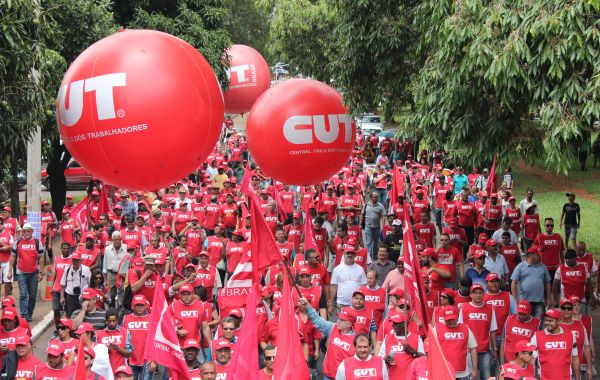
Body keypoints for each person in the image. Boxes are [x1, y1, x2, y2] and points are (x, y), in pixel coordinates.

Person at [302, 303, 356, 380]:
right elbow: (318, 320)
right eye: (338, 318)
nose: (338, 321)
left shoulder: (356, 340)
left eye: (341, 320)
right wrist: (307, 306)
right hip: (328, 375)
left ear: (349, 324)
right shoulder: (333, 328)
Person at [458, 283, 498, 380]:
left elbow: (492, 330)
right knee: (472, 377)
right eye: (475, 293)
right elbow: (460, 329)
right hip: (468, 351)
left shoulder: (490, 308)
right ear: (471, 295)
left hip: (485, 350)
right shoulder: (464, 308)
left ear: (484, 294)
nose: (478, 295)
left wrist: (495, 349)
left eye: (480, 293)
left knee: (486, 377)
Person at [8, 223, 44, 322]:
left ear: (32, 231)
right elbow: (13, 256)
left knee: (32, 295)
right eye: (24, 231)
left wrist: (41, 272)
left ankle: (29, 313)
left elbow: (41, 257)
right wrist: (10, 270)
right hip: (21, 272)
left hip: (34, 273)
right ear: (22, 232)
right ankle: (24, 315)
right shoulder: (18, 242)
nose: (26, 233)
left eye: (28, 231)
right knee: (23, 294)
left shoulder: (37, 242)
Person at [530, 308, 580, 380]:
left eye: (550, 321)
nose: (547, 323)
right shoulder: (536, 336)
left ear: (559, 321)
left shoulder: (571, 335)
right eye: (546, 320)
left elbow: (575, 359)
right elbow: (531, 361)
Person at [433, 305, 478, 380]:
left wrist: (474, 370)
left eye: (453, 319)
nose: (451, 321)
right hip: (444, 372)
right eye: (448, 319)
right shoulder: (436, 330)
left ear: (457, 317)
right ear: (443, 319)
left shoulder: (465, 329)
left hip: (463, 374)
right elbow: (430, 350)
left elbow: (473, 348)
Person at [378, 311, 423, 379]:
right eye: (393, 323)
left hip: (410, 377)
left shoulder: (416, 338)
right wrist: (386, 359)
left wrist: (413, 352)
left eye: (396, 324)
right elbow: (379, 359)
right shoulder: (387, 338)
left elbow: (424, 358)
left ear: (404, 324)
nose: (393, 326)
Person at [511, 247, 552, 319]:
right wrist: (515, 299)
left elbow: (547, 283)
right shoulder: (520, 266)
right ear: (531, 255)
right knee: (524, 321)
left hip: (539, 301)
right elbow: (514, 283)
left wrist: (548, 298)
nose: (540, 256)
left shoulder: (542, 266)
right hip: (524, 301)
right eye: (538, 255)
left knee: (539, 322)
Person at [558, 297, 593, 380]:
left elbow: (586, 348)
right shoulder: (555, 326)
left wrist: (589, 368)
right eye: (564, 308)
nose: (566, 310)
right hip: (559, 370)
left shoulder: (581, 326)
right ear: (560, 309)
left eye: (569, 308)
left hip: (576, 369)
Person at [60, 251, 92, 318]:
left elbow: (90, 284)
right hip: (70, 297)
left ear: (80, 260)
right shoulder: (67, 269)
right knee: (71, 316)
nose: (75, 262)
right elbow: (62, 285)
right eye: (74, 260)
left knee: (84, 315)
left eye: (77, 260)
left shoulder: (86, 269)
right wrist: (62, 297)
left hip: (83, 297)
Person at [103, 231, 126, 307]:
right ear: (112, 240)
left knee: (122, 293)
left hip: (123, 275)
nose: (117, 241)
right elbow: (105, 265)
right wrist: (105, 280)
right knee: (111, 296)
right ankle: (111, 311)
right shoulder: (107, 249)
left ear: (121, 239)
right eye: (115, 240)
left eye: (119, 239)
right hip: (111, 275)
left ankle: (121, 310)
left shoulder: (126, 248)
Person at [361, 192, 386, 260]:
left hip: (377, 227)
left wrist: (383, 225)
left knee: (375, 243)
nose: (377, 198)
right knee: (368, 242)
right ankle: (369, 258)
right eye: (375, 197)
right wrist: (360, 224)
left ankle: (374, 256)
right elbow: (362, 215)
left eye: (377, 196)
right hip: (368, 226)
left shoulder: (380, 206)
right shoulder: (366, 205)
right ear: (371, 198)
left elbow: (383, 215)